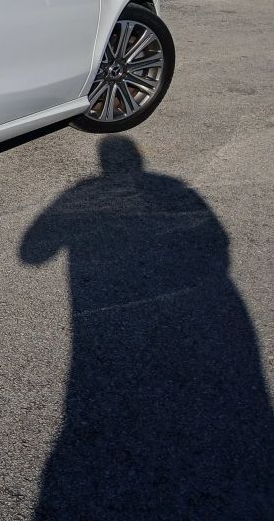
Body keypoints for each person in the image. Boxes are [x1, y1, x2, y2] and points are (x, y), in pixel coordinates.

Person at [20, 136, 273, 518]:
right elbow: (219, 242)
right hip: (218, 302)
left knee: (93, 413)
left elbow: (32, 252)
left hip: (104, 320)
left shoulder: (90, 190)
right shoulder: (173, 187)